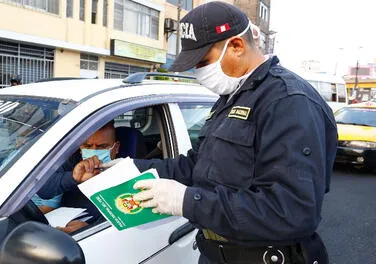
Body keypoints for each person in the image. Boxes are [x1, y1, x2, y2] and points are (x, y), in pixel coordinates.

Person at [74, 2, 337, 264]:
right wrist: (125, 169)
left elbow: (291, 212)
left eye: (203, 61)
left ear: (236, 46)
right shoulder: (230, 97)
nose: (198, 72)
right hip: (214, 253)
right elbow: (195, 166)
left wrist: (186, 201)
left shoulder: (288, 101)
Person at [38, 121, 120, 233]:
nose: (94, 152)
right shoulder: (73, 164)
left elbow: (125, 215)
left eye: (102, 146)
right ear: (81, 148)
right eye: (88, 146)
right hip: (56, 226)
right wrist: (73, 178)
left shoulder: (126, 173)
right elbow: (44, 190)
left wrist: (90, 228)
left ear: (116, 148)